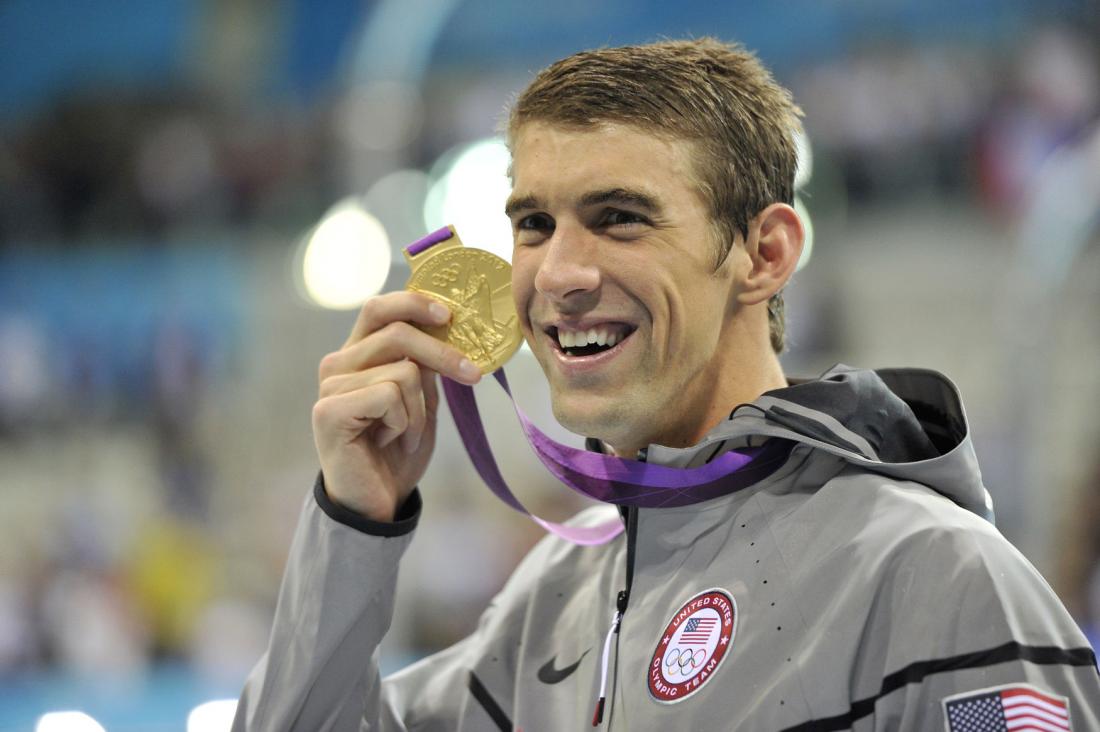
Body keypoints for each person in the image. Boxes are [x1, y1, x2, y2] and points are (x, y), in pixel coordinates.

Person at [233, 39, 1100, 730]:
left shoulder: (935, 580)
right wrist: (354, 520)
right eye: (535, 223)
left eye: (620, 219)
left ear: (765, 254)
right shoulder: (555, 610)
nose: (560, 273)